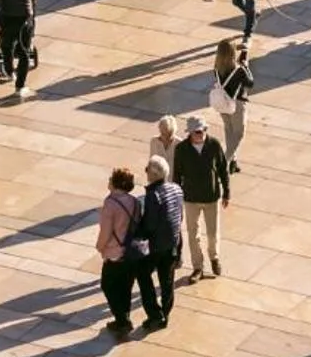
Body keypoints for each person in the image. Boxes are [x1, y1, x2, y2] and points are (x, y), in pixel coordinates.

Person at [94, 168, 159, 338]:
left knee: (108, 285)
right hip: (132, 252)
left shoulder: (110, 204)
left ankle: (122, 320)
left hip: (115, 252)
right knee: (126, 286)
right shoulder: (135, 201)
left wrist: (100, 247)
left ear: (115, 183)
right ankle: (123, 319)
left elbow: (106, 232)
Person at [172, 116, 230, 283]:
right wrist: (176, 198)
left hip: (211, 197)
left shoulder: (214, 145)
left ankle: (214, 257)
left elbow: (222, 170)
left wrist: (227, 192)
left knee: (212, 233)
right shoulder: (182, 149)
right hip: (191, 198)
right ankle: (198, 267)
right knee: (193, 234)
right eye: (197, 131)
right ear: (190, 133)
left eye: (204, 130)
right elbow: (177, 175)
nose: (201, 134)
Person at [138, 158, 184, 331]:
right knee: (167, 281)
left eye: (147, 169)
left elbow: (149, 225)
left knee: (143, 275)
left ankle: (154, 314)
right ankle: (166, 314)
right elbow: (179, 218)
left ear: (154, 174)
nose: (145, 171)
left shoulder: (153, 195)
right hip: (172, 243)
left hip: (156, 246)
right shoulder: (177, 189)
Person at [210, 39, 253, 173]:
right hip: (237, 104)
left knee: (229, 132)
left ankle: (232, 163)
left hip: (222, 104)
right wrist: (246, 66)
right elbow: (250, 83)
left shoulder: (217, 69)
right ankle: (224, 161)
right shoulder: (239, 70)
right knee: (239, 134)